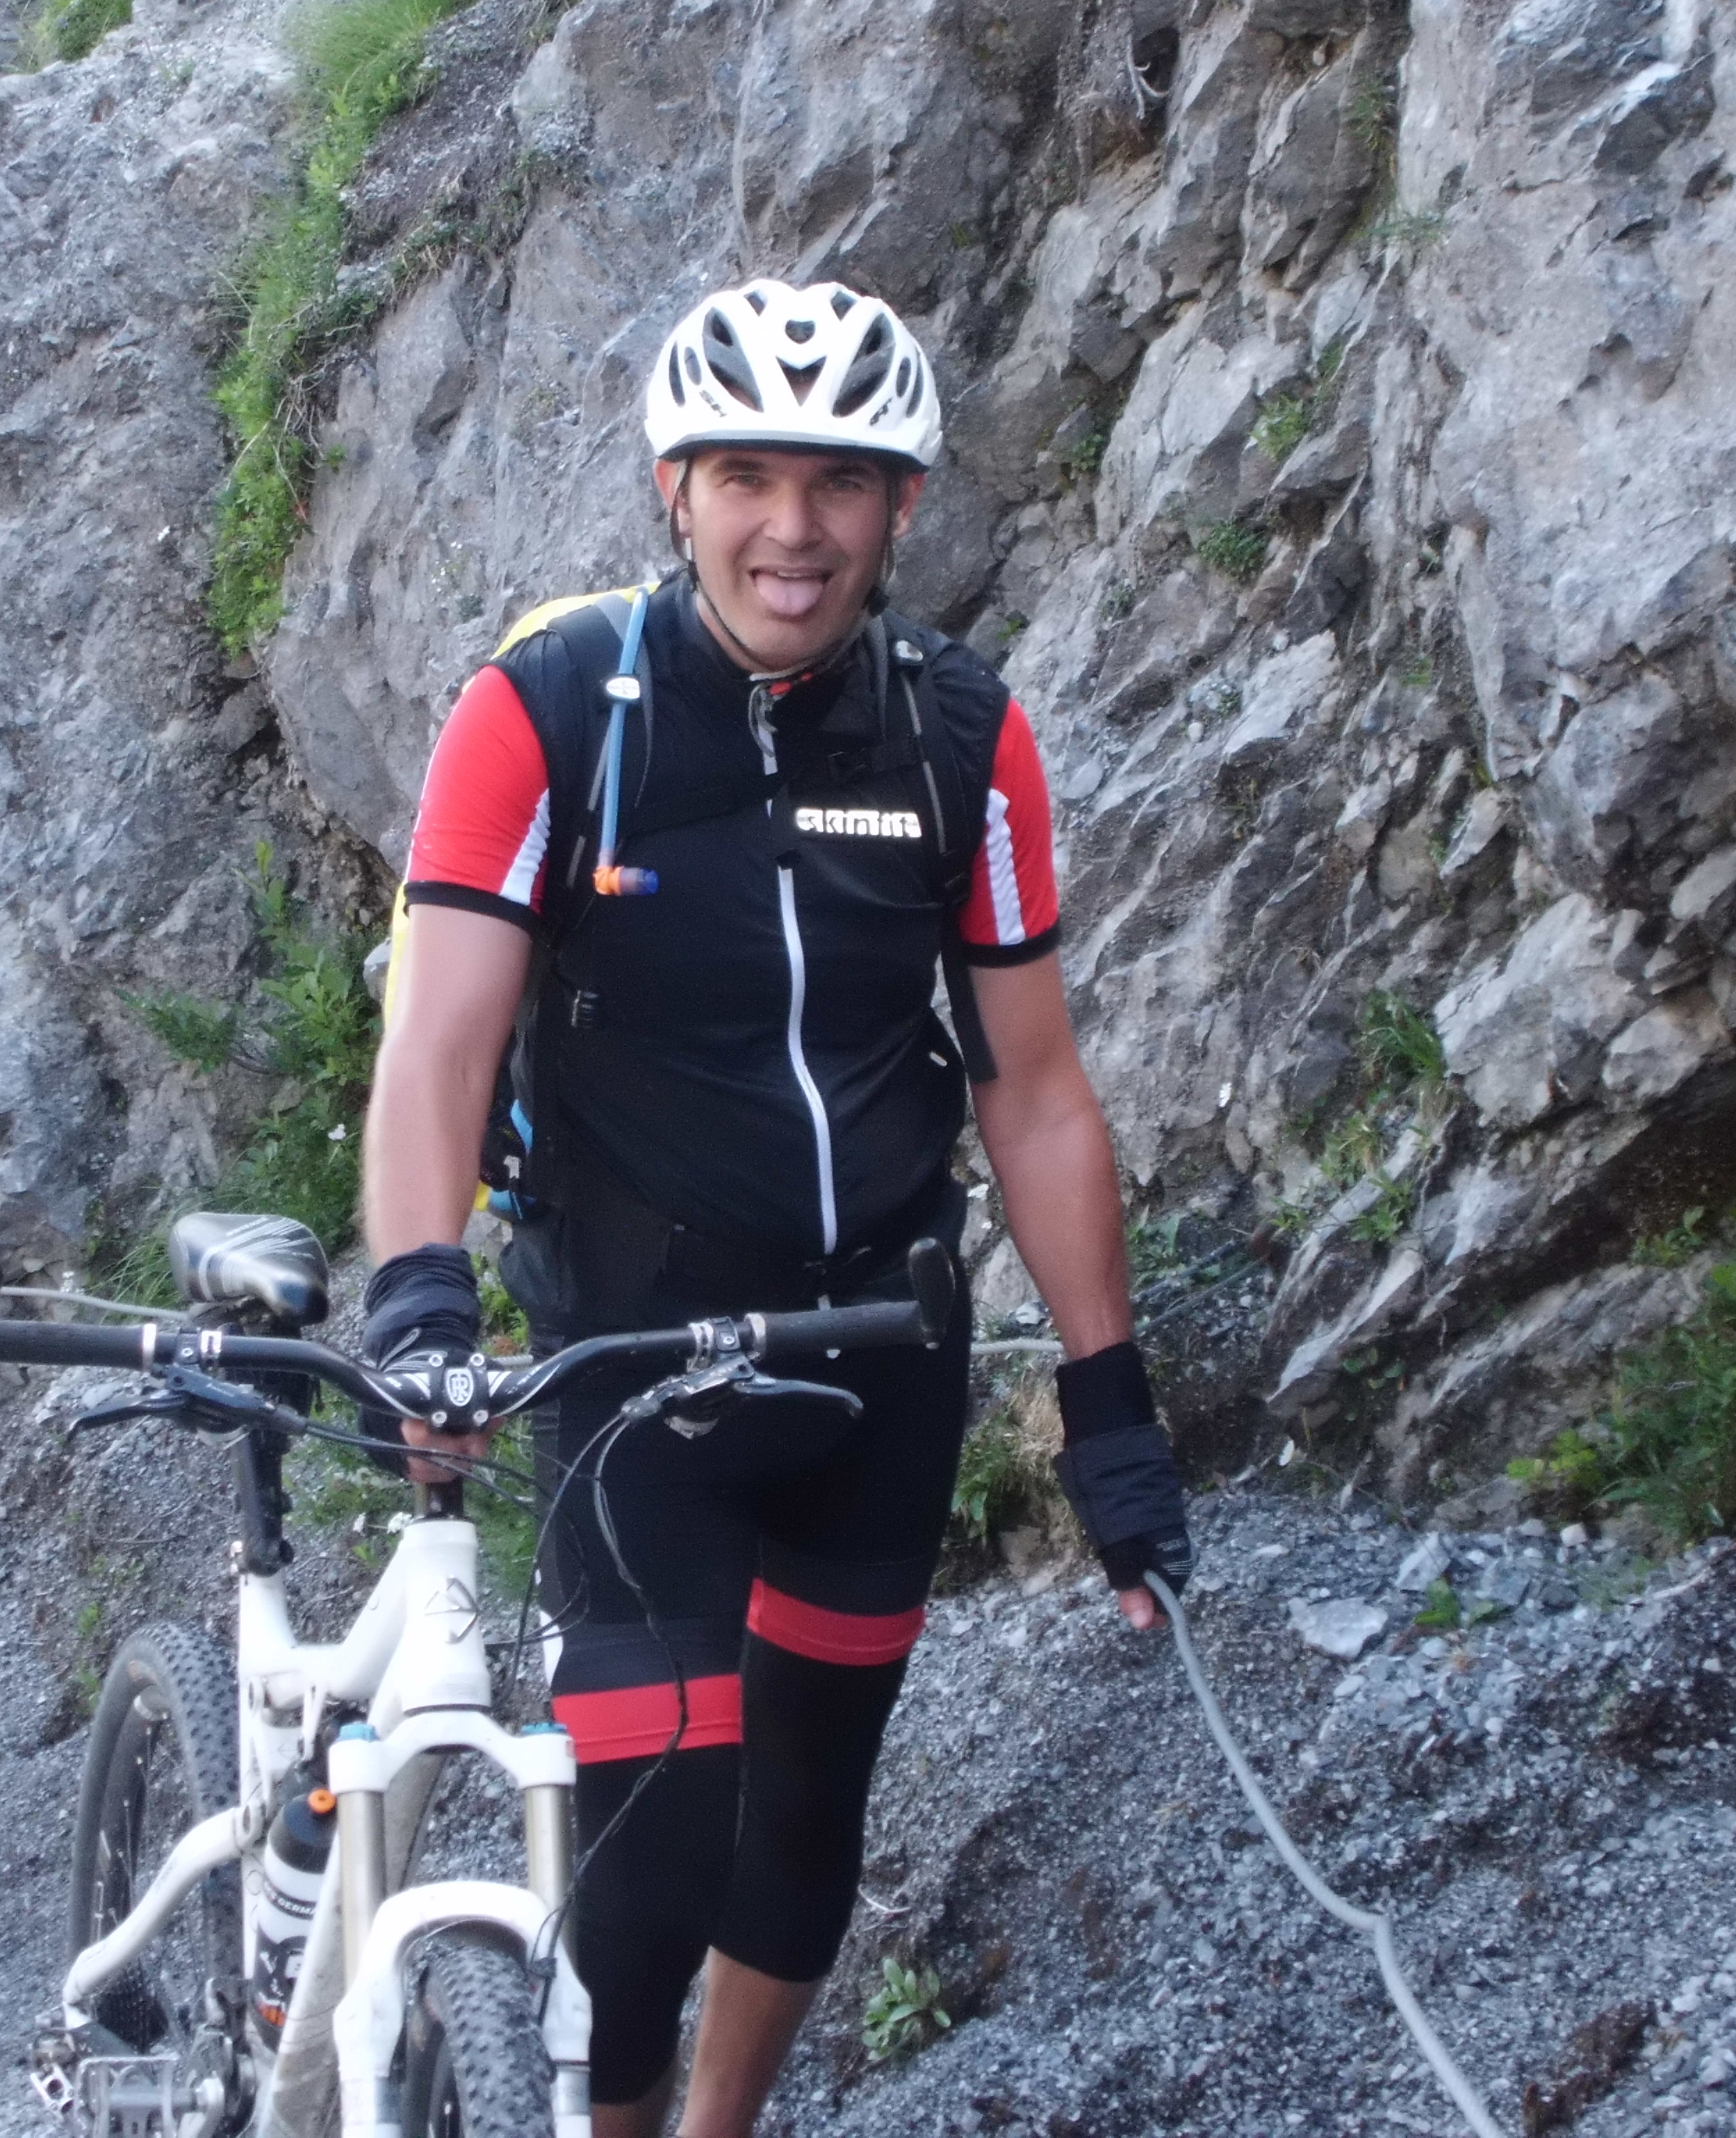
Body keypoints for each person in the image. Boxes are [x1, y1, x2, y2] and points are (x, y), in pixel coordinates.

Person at [356, 278, 1190, 2138]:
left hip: (875, 1353)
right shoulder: (550, 713)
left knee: (808, 1826)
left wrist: (1110, 1408)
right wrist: (420, 1285)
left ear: (904, 505)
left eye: (839, 483)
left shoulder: (962, 736)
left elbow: (1035, 1089)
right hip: (635, 1354)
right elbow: (440, 1039)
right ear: (677, 489)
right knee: (651, 1871)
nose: (791, 530)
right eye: (745, 476)